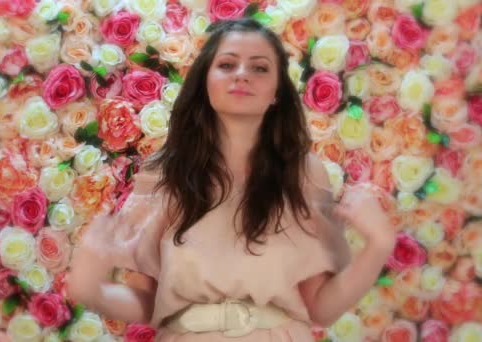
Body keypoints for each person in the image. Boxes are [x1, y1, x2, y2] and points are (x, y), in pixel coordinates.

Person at [66, 18, 396, 341]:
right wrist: (90, 285)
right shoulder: (163, 172)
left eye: (260, 68)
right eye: (227, 64)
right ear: (204, 81)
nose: (242, 75)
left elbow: (321, 306)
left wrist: (378, 246)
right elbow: (148, 302)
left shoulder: (304, 172)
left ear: (277, 92)